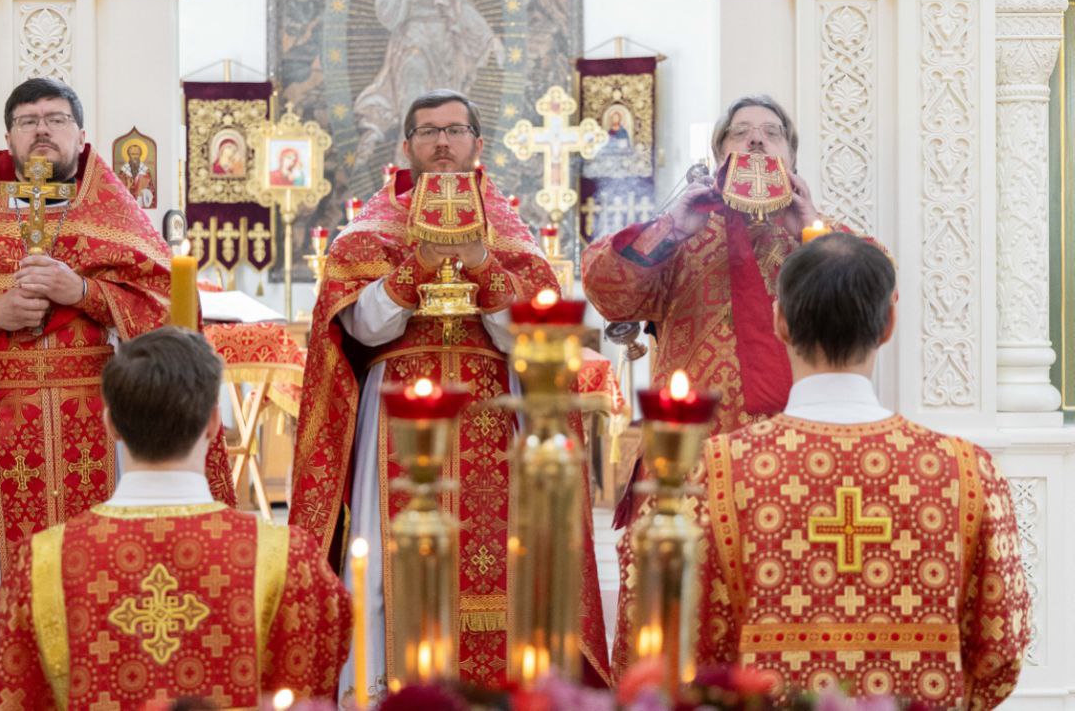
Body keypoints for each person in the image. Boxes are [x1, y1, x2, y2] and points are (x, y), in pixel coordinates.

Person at [0, 78, 227, 706]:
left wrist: (81, 293)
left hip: (101, 430)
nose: (42, 130)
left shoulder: (117, 222)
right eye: (27, 120)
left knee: (109, 588)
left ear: (81, 137)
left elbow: (173, 319)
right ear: (8, 137)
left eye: (56, 119)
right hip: (1, 438)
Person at [290, 89, 609, 697]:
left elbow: (533, 341)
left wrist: (484, 266)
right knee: (384, 568)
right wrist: (414, 271)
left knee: (507, 564)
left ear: (477, 145)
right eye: (429, 131)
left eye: (455, 130)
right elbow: (357, 329)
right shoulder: (368, 233)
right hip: (396, 417)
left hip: (494, 409)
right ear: (404, 147)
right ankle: (383, 695)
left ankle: (500, 695)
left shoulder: (512, 238)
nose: (442, 142)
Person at [646, 233, 1028, 705]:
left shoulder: (712, 473)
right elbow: (1001, 650)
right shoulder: (970, 473)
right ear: (889, 322)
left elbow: (664, 632)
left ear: (780, 322)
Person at [0, 328, 351, 709]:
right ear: (213, 423)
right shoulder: (288, 560)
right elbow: (311, 682)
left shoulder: (41, 563)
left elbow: (10, 694)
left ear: (111, 425)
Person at [582, 95, 842, 530]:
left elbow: (875, 295)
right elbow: (607, 290)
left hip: (799, 448)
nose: (756, 139)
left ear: (792, 158)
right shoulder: (684, 229)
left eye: (772, 133)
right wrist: (670, 231)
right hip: (691, 454)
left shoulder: (819, 231)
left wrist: (813, 231)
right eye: (740, 133)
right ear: (719, 154)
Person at [351, 0, 504, 195]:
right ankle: (410, 175)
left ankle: (446, 180)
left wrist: (488, 39)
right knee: (416, 101)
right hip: (414, 41)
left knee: (445, 113)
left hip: (444, 46)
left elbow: (463, 8)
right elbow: (384, 4)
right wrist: (408, 2)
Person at [119, 140, 156, 208]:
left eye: (137, 154)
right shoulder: (123, 171)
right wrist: (128, 187)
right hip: (127, 204)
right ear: (129, 155)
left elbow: (151, 190)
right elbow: (118, 189)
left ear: (140, 155)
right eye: (133, 154)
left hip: (141, 203)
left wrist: (143, 192)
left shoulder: (145, 170)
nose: (135, 156)